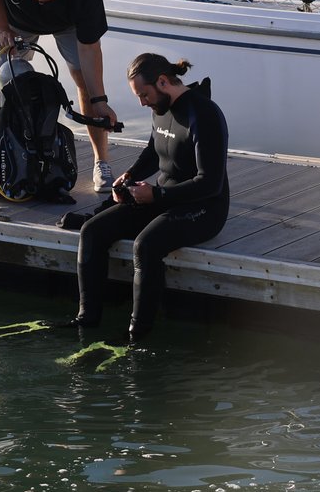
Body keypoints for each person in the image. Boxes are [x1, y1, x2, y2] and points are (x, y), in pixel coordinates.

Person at [67, 53, 229, 343]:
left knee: (145, 245)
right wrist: (129, 176)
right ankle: (86, 321)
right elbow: (155, 152)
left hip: (204, 208)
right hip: (162, 198)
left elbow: (211, 184)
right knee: (92, 231)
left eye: (144, 95)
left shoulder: (204, 115)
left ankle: (136, 336)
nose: (142, 103)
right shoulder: (161, 107)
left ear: (163, 82)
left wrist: (156, 194)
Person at [0, 0, 119, 193]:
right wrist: (2, 26)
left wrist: (100, 100)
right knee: (4, 82)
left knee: (84, 81)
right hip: (16, 21)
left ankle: (101, 163)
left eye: (46, 0)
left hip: (67, 23)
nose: (40, 5)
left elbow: (89, 48)